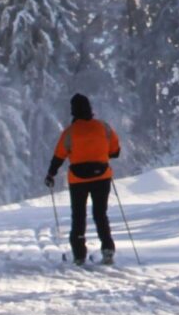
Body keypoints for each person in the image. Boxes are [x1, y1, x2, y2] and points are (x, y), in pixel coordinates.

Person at [45, 94, 122, 266]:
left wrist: (51, 174)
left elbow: (58, 157)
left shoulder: (69, 133)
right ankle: (107, 248)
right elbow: (115, 152)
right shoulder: (104, 127)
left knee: (78, 216)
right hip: (102, 176)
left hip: (78, 179)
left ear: (73, 111)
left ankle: (79, 254)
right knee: (100, 214)